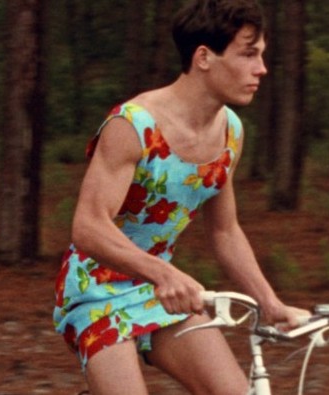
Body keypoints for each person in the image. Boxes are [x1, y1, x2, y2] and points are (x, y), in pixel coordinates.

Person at [52, 1, 308, 394]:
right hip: (95, 288)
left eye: (262, 55)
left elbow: (225, 232)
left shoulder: (230, 132)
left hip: (160, 291)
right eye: (248, 54)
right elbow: (88, 227)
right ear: (204, 57)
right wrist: (164, 273)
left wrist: (270, 305)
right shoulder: (134, 124)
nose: (261, 69)